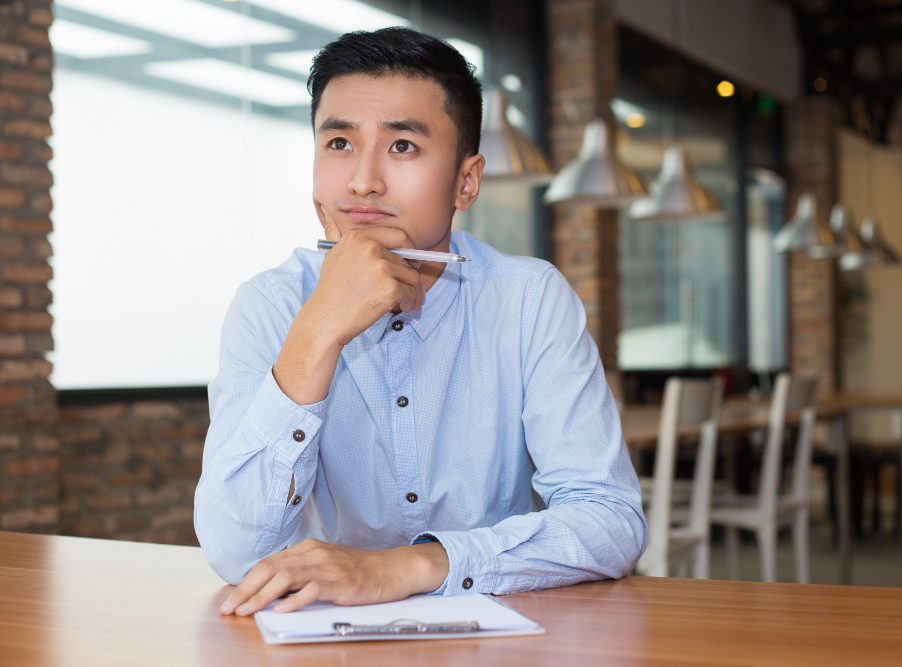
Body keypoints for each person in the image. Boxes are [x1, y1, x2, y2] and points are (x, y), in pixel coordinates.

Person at [195, 27, 646, 618]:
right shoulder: (270, 304)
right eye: (339, 144)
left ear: (467, 180)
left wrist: (408, 567)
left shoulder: (528, 299)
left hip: (502, 632)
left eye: (403, 146)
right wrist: (318, 331)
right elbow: (235, 552)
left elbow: (610, 521)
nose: (362, 180)